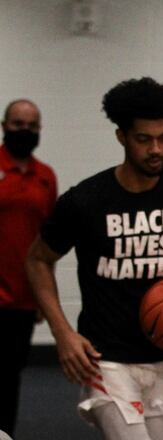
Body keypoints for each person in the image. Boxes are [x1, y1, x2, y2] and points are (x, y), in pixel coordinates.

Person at [25, 77, 163, 440]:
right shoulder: (86, 200)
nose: (156, 149)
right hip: (105, 359)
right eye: (144, 139)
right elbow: (38, 260)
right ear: (121, 136)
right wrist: (63, 333)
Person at [0, 99, 57, 436]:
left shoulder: (46, 177)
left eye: (31, 126)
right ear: (4, 125)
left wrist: (43, 297)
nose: (25, 131)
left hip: (23, 299)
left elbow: (47, 244)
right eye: (18, 124)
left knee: (9, 376)